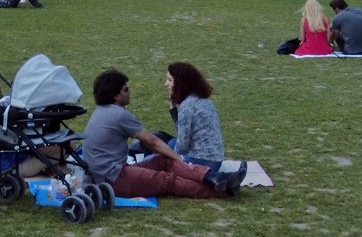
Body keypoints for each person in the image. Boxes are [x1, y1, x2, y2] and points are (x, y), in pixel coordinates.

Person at [81, 69, 246, 200]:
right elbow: (152, 141)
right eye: (126, 89)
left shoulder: (102, 111)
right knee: (168, 180)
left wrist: (174, 158)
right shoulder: (119, 115)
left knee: (163, 160)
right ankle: (221, 191)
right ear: (116, 95)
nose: (129, 92)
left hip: (109, 175)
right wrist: (179, 159)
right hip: (113, 181)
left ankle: (215, 178)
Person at [164, 62, 225, 167]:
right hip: (216, 159)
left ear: (180, 83)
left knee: (165, 156)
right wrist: (173, 109)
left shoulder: (187, 106)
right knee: (171, 143)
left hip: (203, 162)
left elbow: (182, 145)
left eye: (170, 80)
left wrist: (170, 156)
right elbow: (182, 135)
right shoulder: (204, 100)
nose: (166, 84)